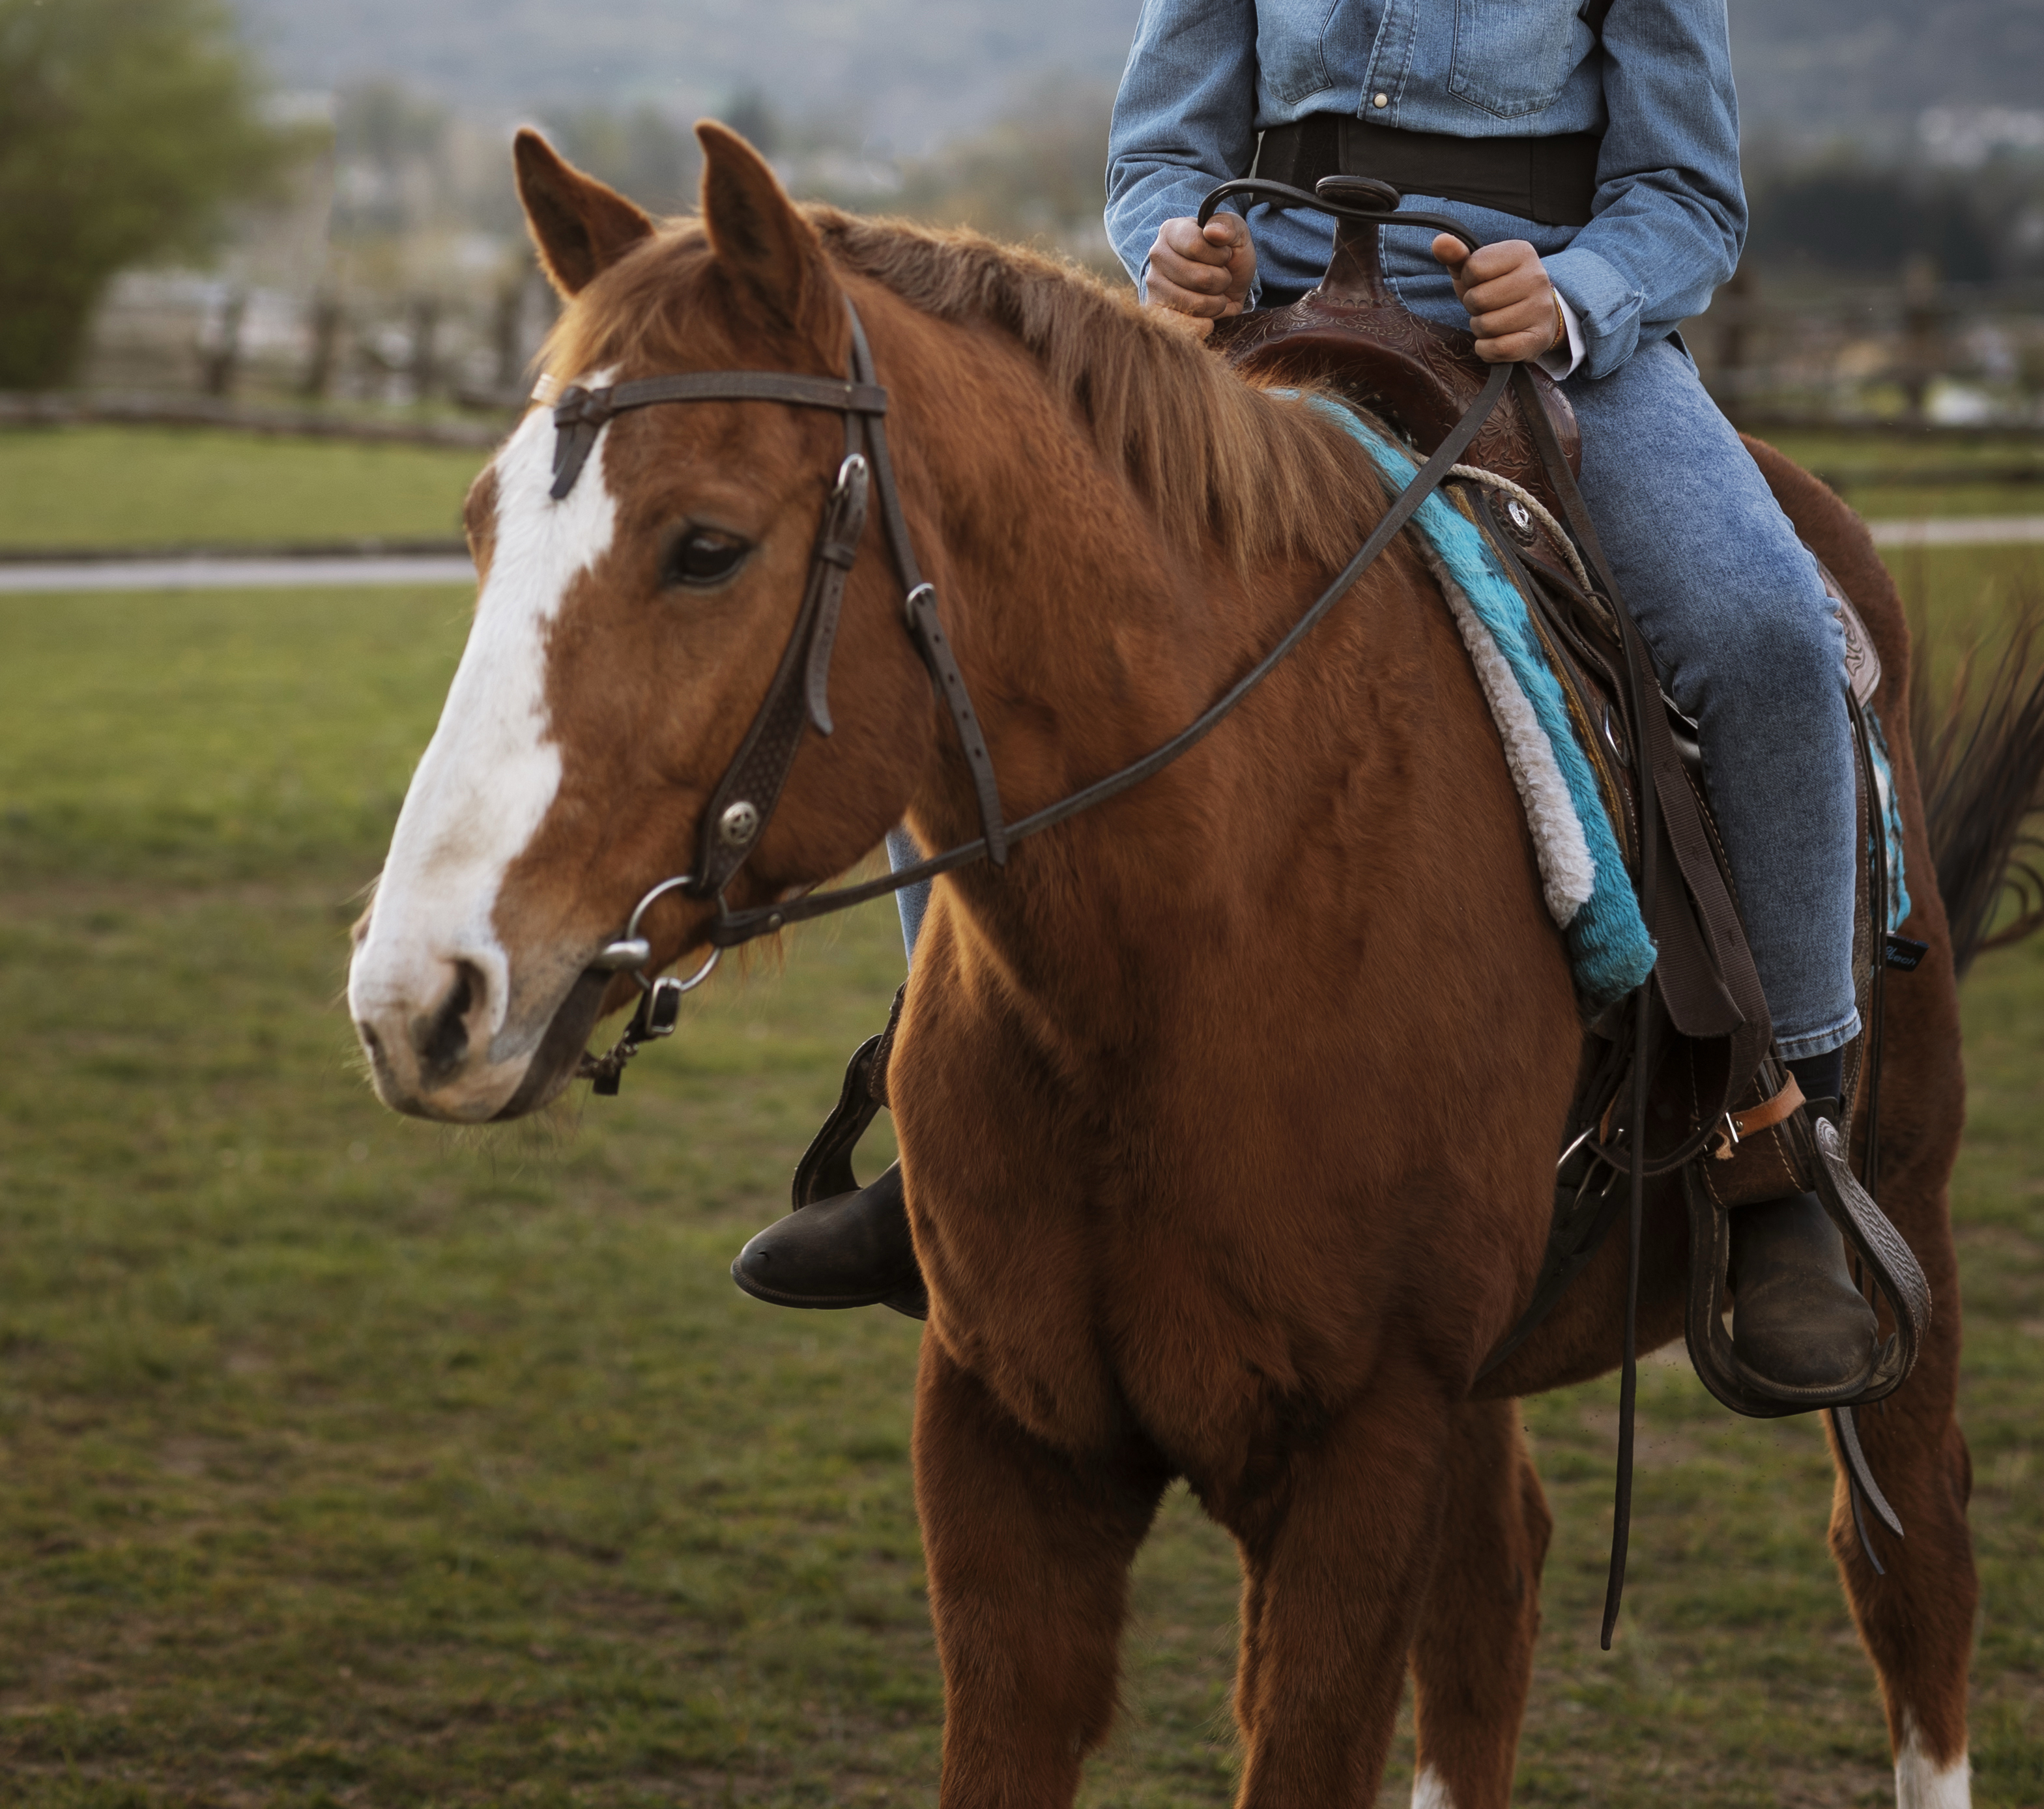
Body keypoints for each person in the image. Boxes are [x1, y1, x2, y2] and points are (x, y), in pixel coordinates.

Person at [732, 0, 1880, 1401]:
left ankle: (1784, 1149)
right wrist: (1174, 243)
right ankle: (944, 1107)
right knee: (987, 602)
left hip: (1534, 333)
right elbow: (1163, 149)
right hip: (1263, 319)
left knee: (1760, 628)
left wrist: (1580, 292)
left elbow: (1687, 196)